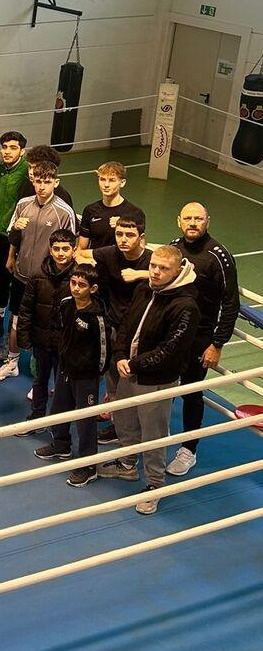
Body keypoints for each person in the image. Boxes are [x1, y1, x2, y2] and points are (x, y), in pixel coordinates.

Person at [98, 245, 200, 514]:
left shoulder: (186, 306)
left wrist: (133, 364)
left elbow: (170, 349)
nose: (155, 271)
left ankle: (155, 485)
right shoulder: (145, 288)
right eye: (153, 265)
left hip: (157, 379)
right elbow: (126, 324)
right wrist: (120, 354)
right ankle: (127, 464)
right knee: (124, 420)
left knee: (154, 434)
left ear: (177, 271)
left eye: (163, 268)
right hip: (129, 370)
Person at [0, 162, 77, 382]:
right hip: (21, 275)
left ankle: (41, 376)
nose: (42, 186)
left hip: (48, 281)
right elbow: (12, 235)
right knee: (15, 319)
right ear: (32, 181)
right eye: (38, 181)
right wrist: (12, 249)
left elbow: (71, 248)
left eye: (47, 182)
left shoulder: (64, 212)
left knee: (45, 326)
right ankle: (12, 363)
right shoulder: (23, 204)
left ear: (56, 182)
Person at [167, 202, 239, 476]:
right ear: (179, 221)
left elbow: (231, 303)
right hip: (170, 334)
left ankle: (189, 449)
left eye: (198, 218)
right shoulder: (174, 247)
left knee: (191, 393)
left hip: (199, 339)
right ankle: (157, 434)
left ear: (207, 221)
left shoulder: (219, 256)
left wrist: (217, 344)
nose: (193, 223)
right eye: (188, 218)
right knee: (163, 387)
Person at [33, 264, 112, 485]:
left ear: (93, 289)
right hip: (65, 368)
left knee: (85, 420)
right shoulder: (66, 304)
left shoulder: (97, 318)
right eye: (73, 283)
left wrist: (94, 374)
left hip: (86, 376)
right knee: (58, 409)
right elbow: (62, 332)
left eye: (81, 285)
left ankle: (88, 466)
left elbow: (104, 351)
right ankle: (61, 445)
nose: (75, 288)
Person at [80, 217, 151, 442]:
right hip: (114, 327)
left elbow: (182, 271)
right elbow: (80, 253)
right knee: (113, 378)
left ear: (141, 238)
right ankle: (117, 425)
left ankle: (141, 430)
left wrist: (141, 274)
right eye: (119, 234)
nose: (123, 239)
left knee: (137, 383)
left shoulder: (152, 260)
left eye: (129, 235)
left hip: (141, 332)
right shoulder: (110, 253)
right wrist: (92, 269)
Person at [14, 230, 78, 417]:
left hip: (66, 344)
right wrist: (24, 338)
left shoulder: (79, 278)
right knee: (39, 380)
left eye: (65, 249)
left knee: (63, 384)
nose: (60, 253)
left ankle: (59, 421)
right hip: (41, 341)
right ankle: (37, 415)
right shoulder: (37, 275)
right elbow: (26, 308)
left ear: (74, 250)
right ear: (50, 250)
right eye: (56, 249)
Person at [0, 130, 29, 343]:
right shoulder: (2, 169)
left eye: (13, 148)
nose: (7, 152)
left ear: (22, 151)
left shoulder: (26, 172)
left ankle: (16, 334)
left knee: (17, 286)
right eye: (5, 147)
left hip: (17, 239)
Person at [77, 162, 146, 251]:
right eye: (102, 179)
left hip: (122, 260)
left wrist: (123, 225)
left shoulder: (135, 213)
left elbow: (140, 248)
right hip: (95, 259)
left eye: (112, 180)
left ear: (122, 183)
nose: (106, 185)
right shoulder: (90, 210)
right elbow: (82, 247)